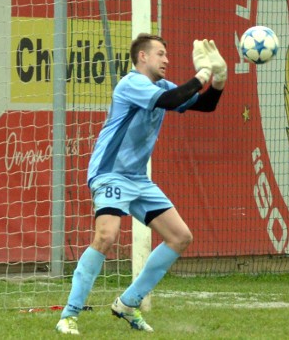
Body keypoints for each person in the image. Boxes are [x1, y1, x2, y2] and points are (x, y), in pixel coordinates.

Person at [55, 33, 228, 335]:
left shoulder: (161, 85)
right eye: (161, 53)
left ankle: (128, 303)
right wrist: (201, 73)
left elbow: (204, 106)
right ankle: (69, 315)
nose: (167, 59)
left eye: (167, 54)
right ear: (143, 57)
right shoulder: (131, 83)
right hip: (110, 172)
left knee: (180, 236)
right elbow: (168, 101)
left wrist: (219, 80)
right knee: (107, 236)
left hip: (137, 178)